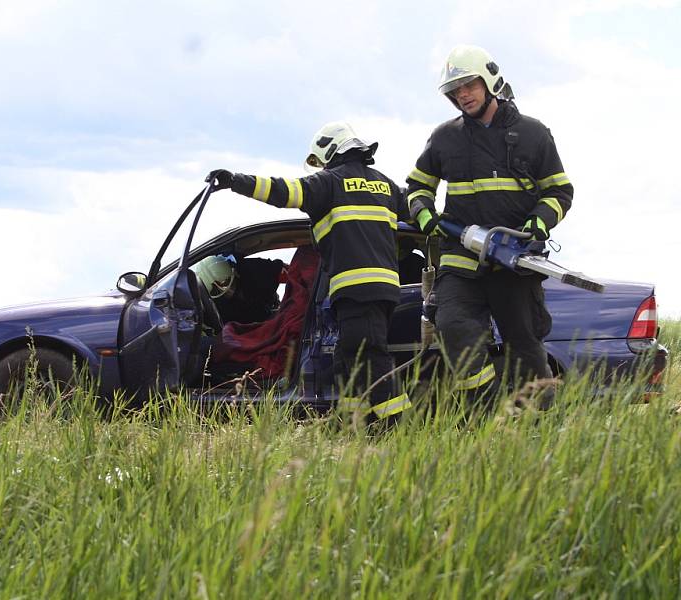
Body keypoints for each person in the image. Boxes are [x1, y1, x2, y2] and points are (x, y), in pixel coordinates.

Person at [207, 121, 412, 430]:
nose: (322, 167)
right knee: (347, 359)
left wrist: (235, 181)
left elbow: (280, 191)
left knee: (370, 358)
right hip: (381, 289)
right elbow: (417, 207)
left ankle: (399, 427)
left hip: (356, 288)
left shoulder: (330, 182)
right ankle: (351, 424)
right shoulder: (385, 185)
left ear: (331, 151)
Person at [406, 44, 573, 409]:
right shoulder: (444, 137)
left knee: (526, 344)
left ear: (489, 81)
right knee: (451, 324)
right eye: (455, 91)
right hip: (460, 257)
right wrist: (424, 215)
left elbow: (560, 191)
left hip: (515, 260)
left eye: (469, 85)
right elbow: (417, 186)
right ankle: (481, 411)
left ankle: (536, 427)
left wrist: (537, 225)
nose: (463, 95)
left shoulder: (533, 134)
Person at [193, 254, 287, 324]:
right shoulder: (214, 309)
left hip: (275, 310)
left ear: (235, 272)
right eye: (216, 291)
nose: (227, 291)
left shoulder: (258, 269)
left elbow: (292, 273)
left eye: (226, 282)